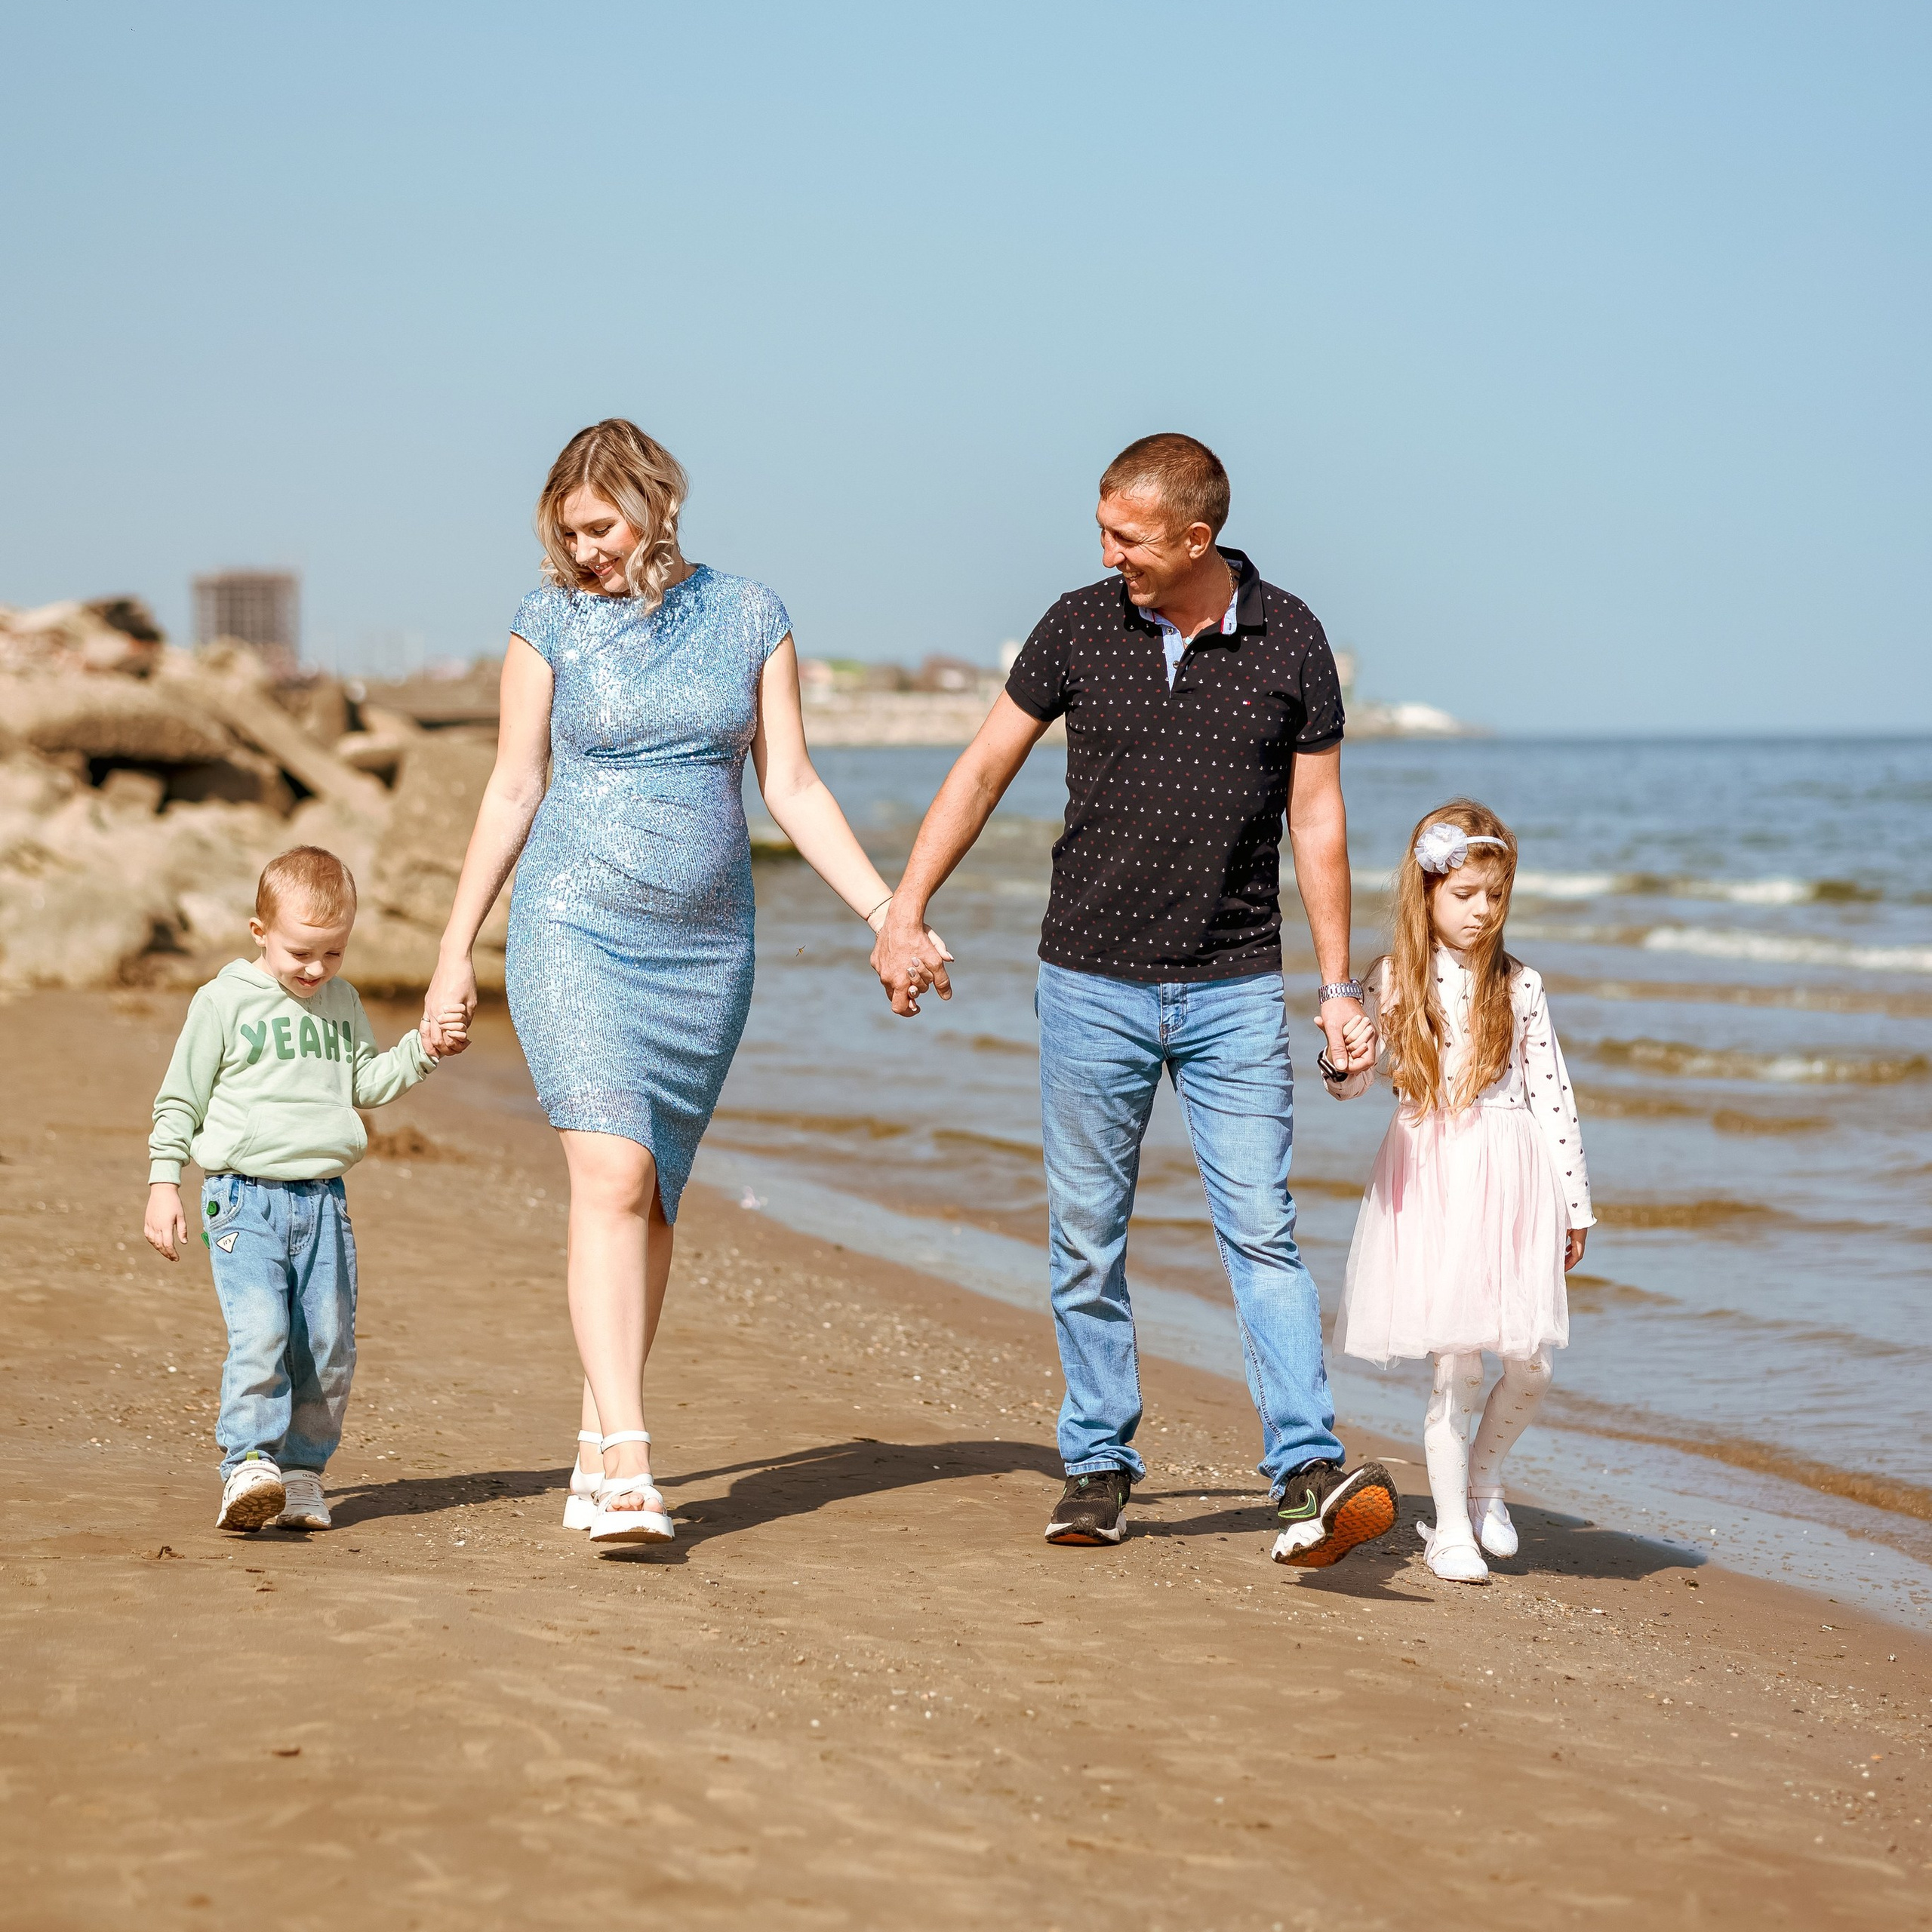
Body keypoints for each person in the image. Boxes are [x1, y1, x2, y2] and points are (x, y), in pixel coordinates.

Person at [871, 432, 1397, 1565]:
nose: (1109, 554)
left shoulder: (1292, 637)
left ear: (1196, 538)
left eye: (1130, 537)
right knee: (1085, 1239)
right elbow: (982, 769)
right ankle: (1098, 1464)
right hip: (1089, 984)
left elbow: (1317, 820)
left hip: (1235, 987)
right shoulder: (1077, 625)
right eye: (1104, 531)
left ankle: (1305, 1470)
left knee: (1263, 1230)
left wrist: (1337, 988)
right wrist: (904, 909)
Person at [423, 419, 945, 1548]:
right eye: (568, 533)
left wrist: (886, 915)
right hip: (573, 927)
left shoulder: (752, 614)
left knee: (652, 1193)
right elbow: (513, 788)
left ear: (656, 504)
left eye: (600, 528)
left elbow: (792, 787)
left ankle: (593, 1440)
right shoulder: (546, 622)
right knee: (611, 1174)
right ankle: (628, 1461)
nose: (584, 552)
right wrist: (454, 947)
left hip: (705, 951)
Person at [143, 846, 465, 1532]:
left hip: (323, 1203)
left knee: (327, 1345)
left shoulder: (342, 1002)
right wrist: (164, 1182)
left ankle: (300, 1474)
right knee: (261, 1330)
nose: (317, 969)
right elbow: (179, 1101)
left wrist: (424, 1049)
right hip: (242, 1197)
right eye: (301, 953)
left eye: (334, 953)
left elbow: (366, 1084)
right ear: (259, 932)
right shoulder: (223, 1001)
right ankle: (247, 1464)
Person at [1327, 801, 1594, 1583]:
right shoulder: (1394, 981)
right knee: (1458, 1367)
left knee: (1531, 1365)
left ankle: (1484, 1482)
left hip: (1513, 1182)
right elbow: (1353, 1086)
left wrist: (1575, 1205)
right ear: (1427, 893)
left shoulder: (1521, 985)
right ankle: (1448, 1531)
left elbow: (1554, 1099)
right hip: (1432, 1176)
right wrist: (1343, 1059)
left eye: (1494, 896)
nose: (1482, 911)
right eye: (1465, 894)